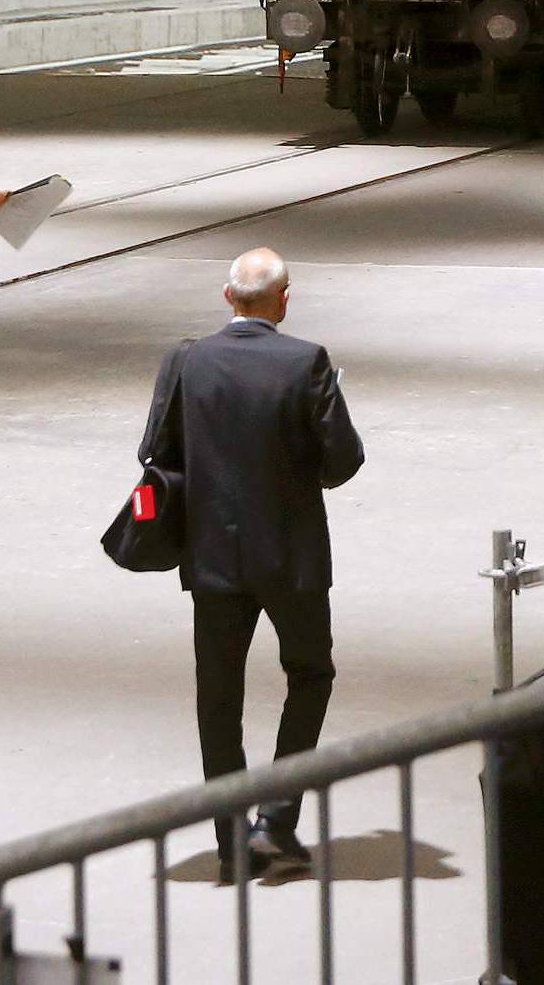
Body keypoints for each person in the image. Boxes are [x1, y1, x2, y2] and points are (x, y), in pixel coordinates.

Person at [139, 247, 364, 883]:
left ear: (226, 296)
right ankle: (279, 817)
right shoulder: (306, 361)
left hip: (212, 559)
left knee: (218, 701)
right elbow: (343, 462)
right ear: (283, 299)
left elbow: (154, 451)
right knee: (311, 673)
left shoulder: (188, 361)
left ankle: (231, 841)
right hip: (292, 559)